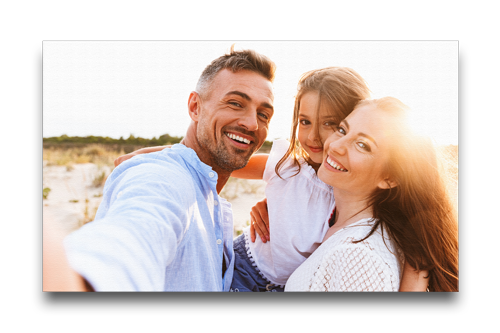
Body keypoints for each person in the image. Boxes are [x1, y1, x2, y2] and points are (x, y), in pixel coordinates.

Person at [116, 68, 429, 292]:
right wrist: (155, 155)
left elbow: (418, 242)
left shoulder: (349, 190)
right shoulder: (288, 166)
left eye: (333, 124)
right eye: (304, 122)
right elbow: (218, 159)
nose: (316, 136)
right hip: (245, 266)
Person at [48, 45, 277, 291]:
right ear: (195, 107)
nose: (252, 123)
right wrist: (79, 280)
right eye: (235, 103)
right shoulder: (166, 178)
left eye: (264, 114)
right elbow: (137, 230)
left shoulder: (209, 195)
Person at [285, 97, 459, 291]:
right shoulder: (333, 220)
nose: (335, 146)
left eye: (362, 145)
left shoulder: (357, 257)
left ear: (390, 178)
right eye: (342, 130)